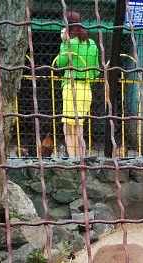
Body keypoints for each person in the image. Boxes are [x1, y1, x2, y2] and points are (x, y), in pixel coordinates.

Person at [54, 12, 99, 158]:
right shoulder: (92, 44)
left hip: (72, 88)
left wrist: (63, 42)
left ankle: (73, 161)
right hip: (86, 90)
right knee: (79, 128)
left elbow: (60, 64)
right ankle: (82, 160)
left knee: (68, 128)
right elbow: (96, 71)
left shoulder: (70, 43)